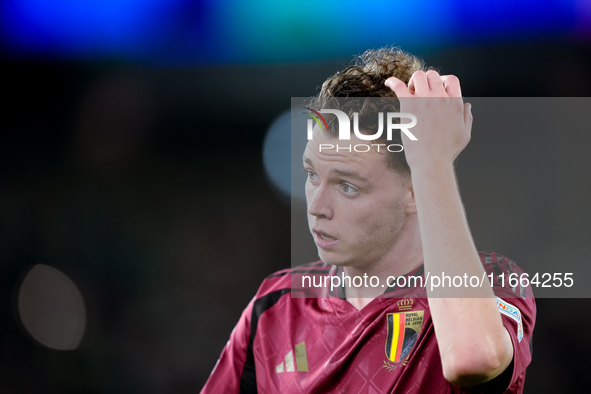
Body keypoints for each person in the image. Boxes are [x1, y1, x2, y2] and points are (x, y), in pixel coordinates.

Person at [201, 47, 536, 393]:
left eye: (347, 186)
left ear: (413, 191)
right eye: (312, 175)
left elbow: (472, 359)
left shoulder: (495, 281)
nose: (316, 206)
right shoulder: (275, 307)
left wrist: (433, 161)